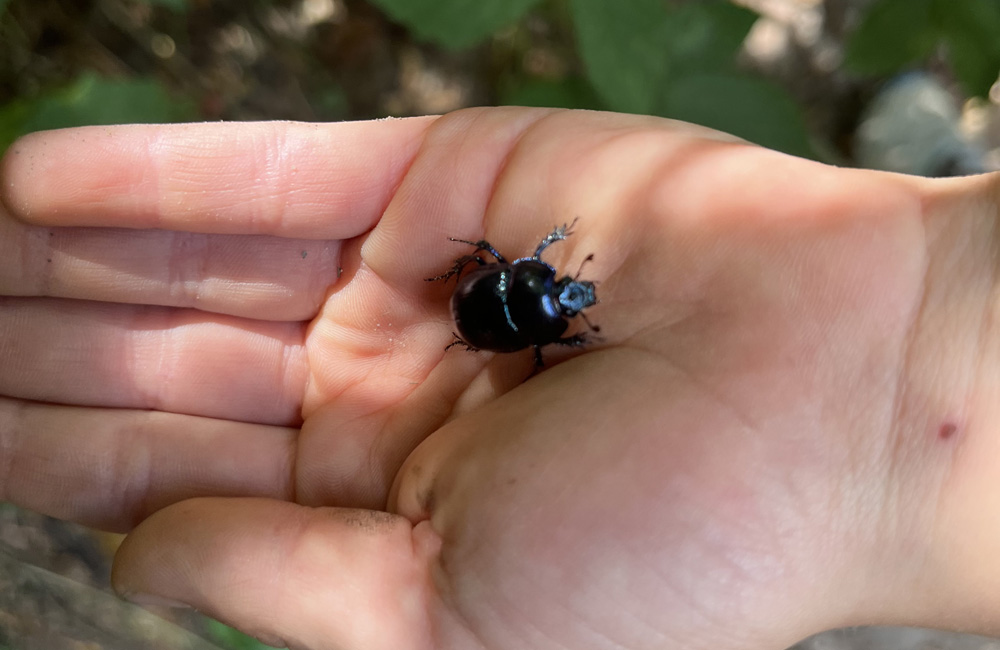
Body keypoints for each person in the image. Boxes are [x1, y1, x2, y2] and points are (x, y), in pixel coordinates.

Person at [0, 107, 998, 650]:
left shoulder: (534, 292)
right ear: (558, 290)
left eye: (565, 298)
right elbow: (506, 284)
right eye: (566, 289)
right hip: (479, 316)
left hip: (480, 312)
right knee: (490, 274)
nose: (566, 291)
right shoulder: (533, 303)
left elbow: (506, 275)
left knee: (490, 268)